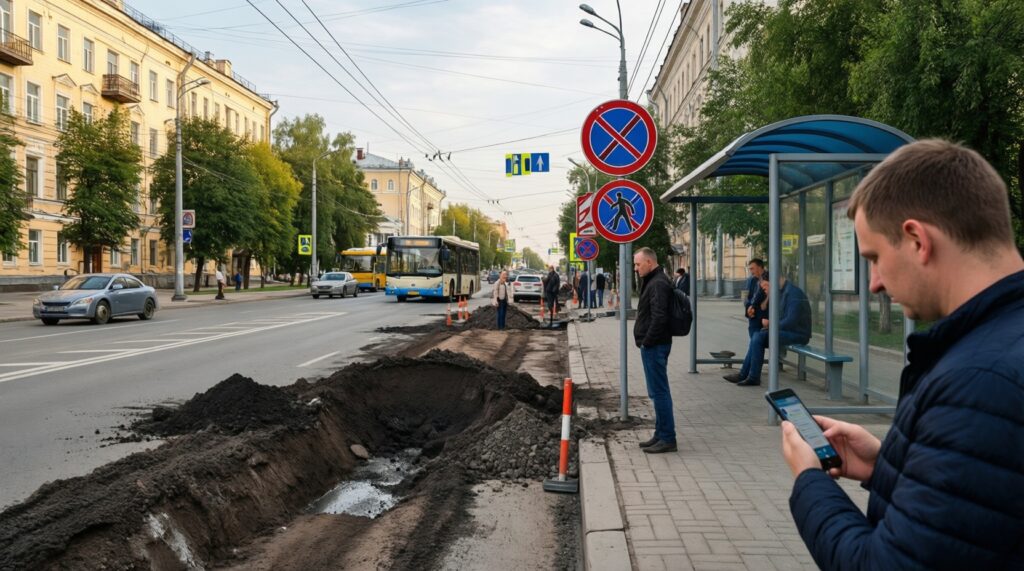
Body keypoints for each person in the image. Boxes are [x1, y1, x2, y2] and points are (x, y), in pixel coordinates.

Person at [779, 140, 1024, 570]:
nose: (874, 282)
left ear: (916, 240)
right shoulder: (998, 345)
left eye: (875, 258)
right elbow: (979, 512)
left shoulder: (977, 383)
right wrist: (886, 465)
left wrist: (810, 481)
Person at [632, 247, 677, 454]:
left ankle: (667, 438)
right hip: (655, 344)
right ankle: (660, 434)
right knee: (656, 391)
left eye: (638, 264)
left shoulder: (658, 283)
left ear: (649, 262)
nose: (636, 268)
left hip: (655, 345)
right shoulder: (654, 280)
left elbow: (659, 317)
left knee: (659, 392)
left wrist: (647, 341)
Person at [730, 274, 810, 386]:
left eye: (765, 287)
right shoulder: (782, 292)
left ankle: (751, 377)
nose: (765, 290)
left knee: (759, 337)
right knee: (757, 336)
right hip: (788, 331)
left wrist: (771, 324)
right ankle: (746, 375)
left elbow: (791, 321)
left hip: (799, 334)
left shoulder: (793, 293)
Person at [743, 259, 767, 339]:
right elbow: (745, 295)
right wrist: (748, 308)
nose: (751, 271)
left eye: (752, 268)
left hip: (765, 315)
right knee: (754, 338)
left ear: (759, 267)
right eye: (750, 269)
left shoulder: (768, 278)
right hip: (753, 315)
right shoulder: (751, 280)